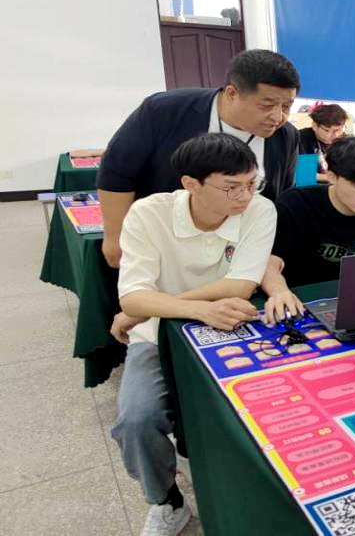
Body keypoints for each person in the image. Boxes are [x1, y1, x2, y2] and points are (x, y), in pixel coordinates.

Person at [108, 133, 277, 536]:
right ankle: (167, 500)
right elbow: (132, 295)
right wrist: (193, 309)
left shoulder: (260, 209)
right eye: (231, 187)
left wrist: (147, 307)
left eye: (251, 183)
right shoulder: (149, 214)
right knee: (136, 420)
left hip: (233, 327)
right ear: (190, 184)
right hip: (159, 334)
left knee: (270, 408)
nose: (244, 196)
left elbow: (240, 286)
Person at [97, 49, 300, 268]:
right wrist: (115, 236)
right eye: (266, 105)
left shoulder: (285, 136)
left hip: (238, 250)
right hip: (165, 242)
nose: (278, 117)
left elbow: (281, 196)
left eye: (286, 106)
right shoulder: (165, 111)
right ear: (232, 93)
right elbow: (117, 172)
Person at [261, 137, 355, 322]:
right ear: (332, 176)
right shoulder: (296, 204)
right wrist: (279, 292)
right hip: (305, 302)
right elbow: (270, 262)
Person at [297, 103, 348, 183]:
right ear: (315, 126)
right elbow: (306, 175)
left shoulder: (345, 141)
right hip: (311, 187)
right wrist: (336, 179)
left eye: (338, 130)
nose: (335, 135)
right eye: (327, 130)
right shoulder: (303, 139)